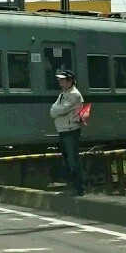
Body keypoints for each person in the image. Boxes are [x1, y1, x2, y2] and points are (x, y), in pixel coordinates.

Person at [49, 67, 86, 197]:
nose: (60, 82)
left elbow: (59, 110)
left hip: (71, 130)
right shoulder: (63, 94)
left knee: (72, 160)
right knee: (67, 160)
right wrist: (56, 110)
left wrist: (56, 110)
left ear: (70, 81)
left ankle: (78, 188)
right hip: (63, 130)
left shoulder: (74, 95)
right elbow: (53, 110)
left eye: (62, 80)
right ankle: (71, 187)